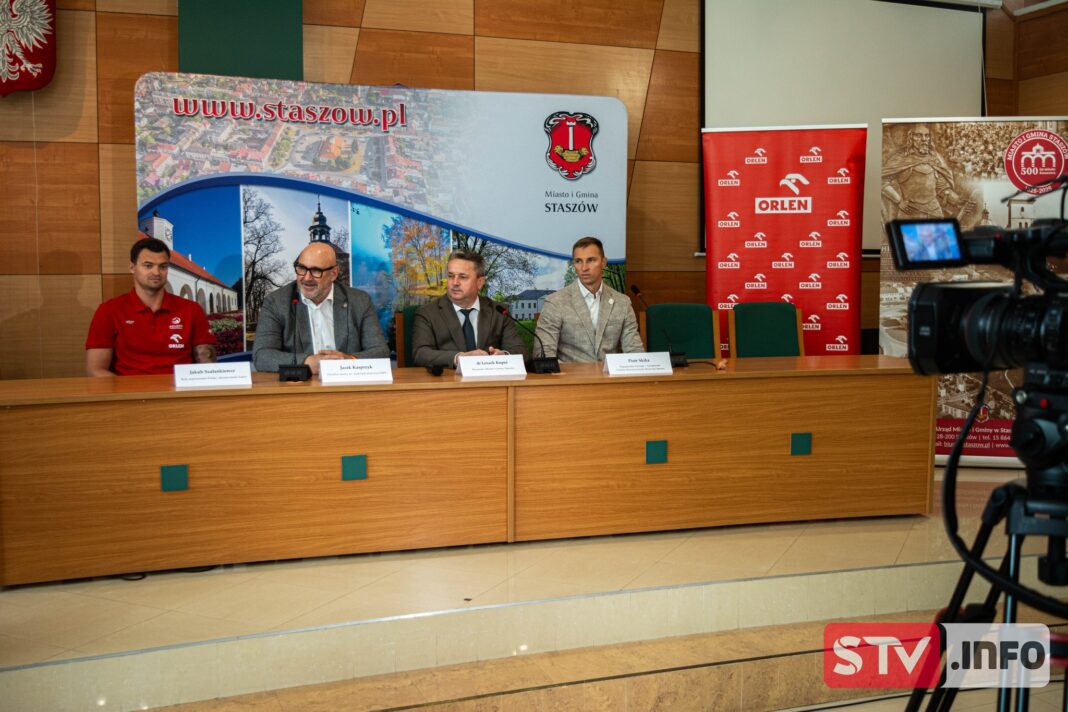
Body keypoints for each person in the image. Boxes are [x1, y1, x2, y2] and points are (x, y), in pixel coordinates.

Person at [85, 236, 217, 376]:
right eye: (148, 265)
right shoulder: (108, 311)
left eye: (163, 266)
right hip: (131, 394)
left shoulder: (192, 310)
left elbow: (207, 367)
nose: (156, 272)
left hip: (180, 394)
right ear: (132, 267)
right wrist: (133, 395)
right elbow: (95, 370)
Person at [252, 242, 389, 374]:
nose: (306, 278)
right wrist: (306, 362)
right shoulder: (276, 302)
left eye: (316, 271)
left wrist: (349, 361)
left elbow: (380, 352)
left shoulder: (359, 301)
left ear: (333, 274)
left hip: (347, 386)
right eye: (302, 269)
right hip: (299, 389)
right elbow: (262, 355)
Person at [411, 250, 527, 369]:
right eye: (451, 276)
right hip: (449, 383)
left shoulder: (499, 311)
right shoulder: (428, 313)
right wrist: (459, 358)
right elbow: (420, 353)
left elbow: (520, 351)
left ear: (480, 282)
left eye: (463, 277)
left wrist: (504, 356)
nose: (455, 283)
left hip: (490, 383)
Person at [535, 236, 643, 362]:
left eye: (591, 260)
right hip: (570, 379)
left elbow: (635, 353)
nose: (584, 268)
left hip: (609, 379)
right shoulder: (555, 302)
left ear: (604, 262)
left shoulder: (622, 303)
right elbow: (544, 356)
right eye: (578, 261)